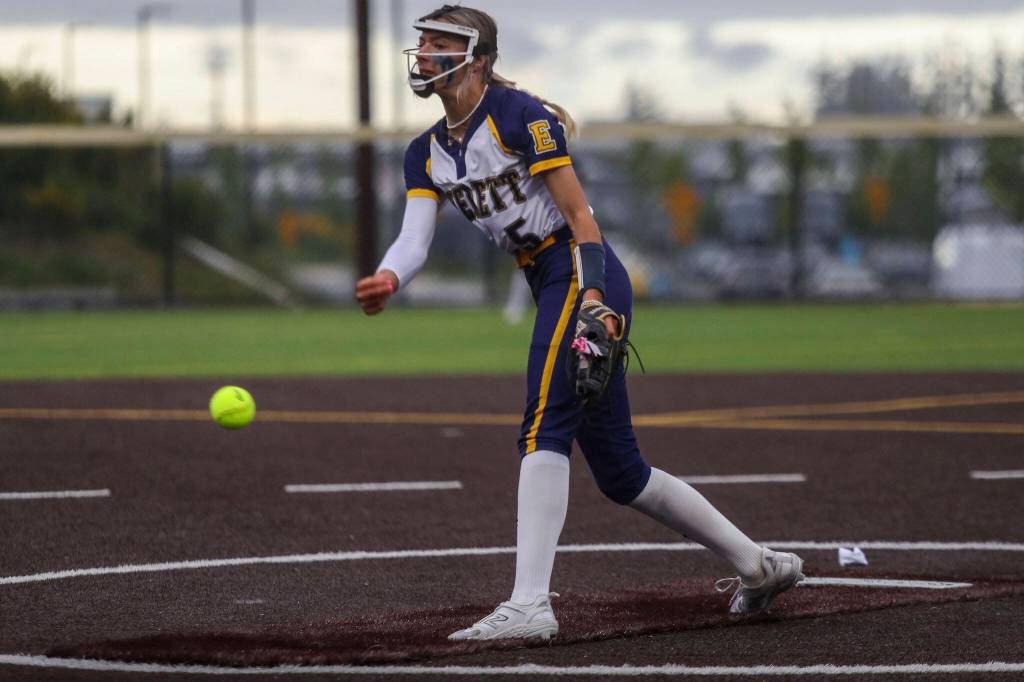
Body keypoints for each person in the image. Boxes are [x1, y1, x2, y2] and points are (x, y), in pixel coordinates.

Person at [355, 4, 804, 641]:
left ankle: (531, 604)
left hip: (579, 270)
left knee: (544, 422)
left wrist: (593, 297)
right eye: (421, 44)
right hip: (547, 280)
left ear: (477, 57)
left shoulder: (518, 117)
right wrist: (390, 277)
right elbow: (414, 238)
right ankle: (757, 566)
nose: (423, 54)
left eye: (436, 44)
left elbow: (581, 217)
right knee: (623, 474)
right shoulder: (424, 153)